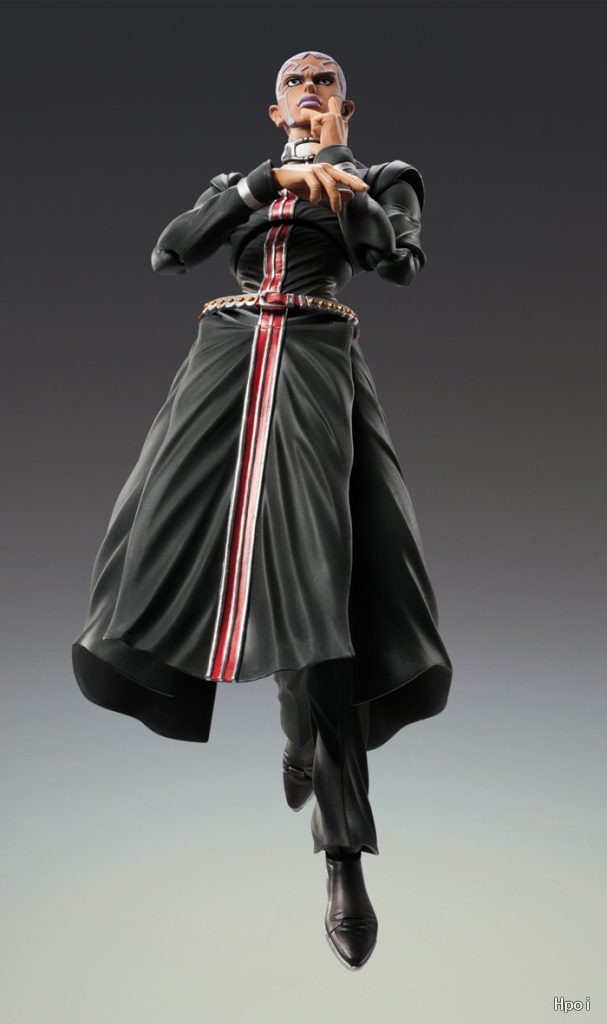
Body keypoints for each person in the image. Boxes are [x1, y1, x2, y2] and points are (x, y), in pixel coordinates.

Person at [72, 50, 453, 971]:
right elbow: (171, 251)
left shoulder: (384, 176)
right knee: (159, 534)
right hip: (224, 362)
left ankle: (340, 850)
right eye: (295, 81)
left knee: (320, 581)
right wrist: (265, 182)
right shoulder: (240, 182)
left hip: (315, 362)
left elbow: (394, 266)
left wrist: (342, 175)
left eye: (325, 79)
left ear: (346, 102)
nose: (309, 87)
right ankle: (281, 724)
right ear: (273, 107)